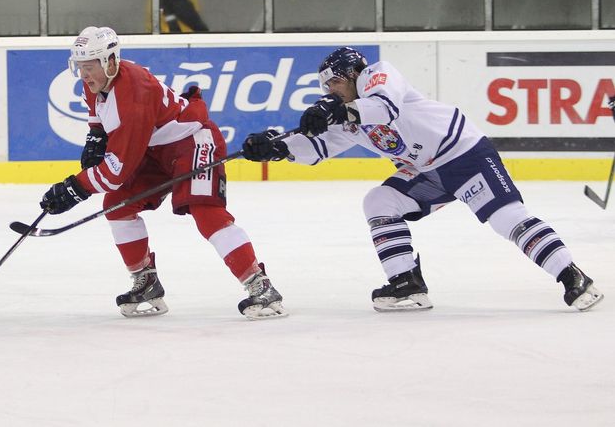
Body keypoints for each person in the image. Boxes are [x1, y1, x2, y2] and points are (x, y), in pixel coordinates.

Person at [241, 46, 604, 312]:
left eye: (335, 82)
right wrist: (277, 147)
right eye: (327, 87)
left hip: (463, 153)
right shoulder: (346, 115)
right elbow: (317, 149)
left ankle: (572, 276)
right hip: (427, 170)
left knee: (506, 219)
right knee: (379, 202)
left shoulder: (378, 74)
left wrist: (339, 109)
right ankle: (406, 284)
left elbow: (385, 107)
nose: (330, 91)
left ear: (353, 74)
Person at [40, 26, 286, 320]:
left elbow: (114, 174)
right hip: (155, 150)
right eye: (79, 66)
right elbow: (97, 118)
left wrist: (72, 188)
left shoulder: (133, 94)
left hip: (191, 142)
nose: (84, 74)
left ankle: (260, 285)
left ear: (109, 61)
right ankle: (146, 283)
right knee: (117, 206)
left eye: (89, 66)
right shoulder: (96, 83)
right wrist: (95, 138)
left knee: (205, 212)